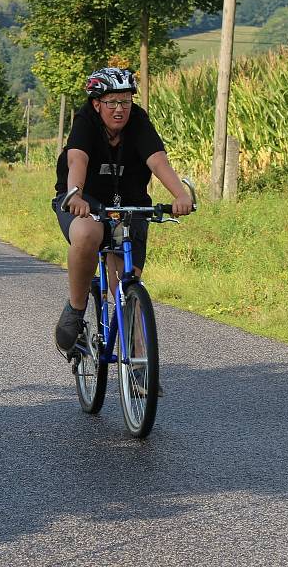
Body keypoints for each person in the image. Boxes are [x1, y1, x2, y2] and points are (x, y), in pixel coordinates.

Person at [52, 67, 193, 377]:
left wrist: (181, 195)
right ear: (97, 103)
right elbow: (78, 159)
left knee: (127, 285)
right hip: (84, 201)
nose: (120, 109)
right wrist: (74, 194)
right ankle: (75, 311)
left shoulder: (138, 121)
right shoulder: (86, 122)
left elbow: (158, 160)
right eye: (112, 101)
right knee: (88, 233)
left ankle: (142, 367)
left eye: (126, 101)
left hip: (129, 206)